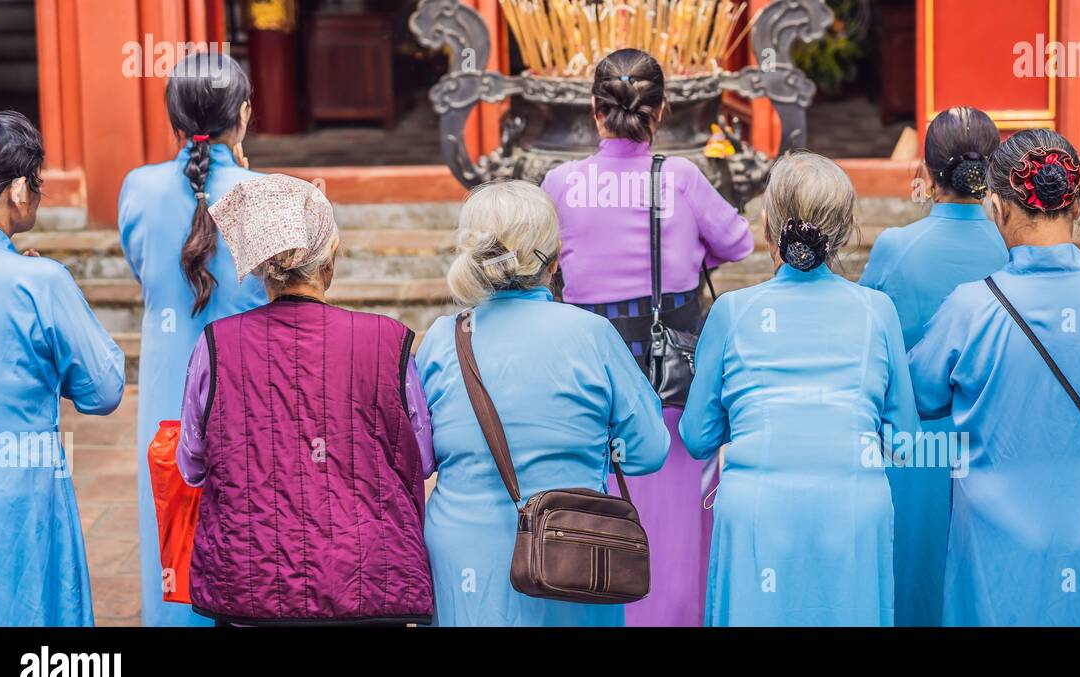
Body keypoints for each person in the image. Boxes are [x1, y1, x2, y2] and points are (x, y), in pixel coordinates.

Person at [909, 128, 1080, 626]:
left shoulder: (970, 306)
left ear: (998, 208)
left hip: (992, 541)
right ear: (1077, 204)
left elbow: (923, 392)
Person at [541, 48, 753, 626]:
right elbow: (740, 243)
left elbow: (540, 259)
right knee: (676, 526)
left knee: (598, 520)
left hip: (590, 393)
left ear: (594, 110)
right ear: (660, 110)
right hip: (670, 388)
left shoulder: (561, 183)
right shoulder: (680, 179)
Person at [177, 174, 434, 625]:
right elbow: (424, 457)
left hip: (250, 581)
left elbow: (192, 463)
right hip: (374, 579)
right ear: (328, 260)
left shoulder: (216, 344)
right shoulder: (387, 340)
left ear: (263, 270)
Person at [680, 151, 918, 626]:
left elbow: (697, 436)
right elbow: (905, 441)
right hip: (853, 509)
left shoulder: (733, 311)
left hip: (757, 512)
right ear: (847, 229)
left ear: (766, 225)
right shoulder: (877, 311)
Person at [418, 181, 670, 626]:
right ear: (555, 260)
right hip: (571, 550)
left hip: (465, 557)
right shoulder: (591, 335)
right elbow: (648, 451)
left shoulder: (443, 338)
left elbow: (419, 459)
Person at [118, 52, 265, 625]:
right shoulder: (268, 194)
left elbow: (146, 271)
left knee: (169, 532)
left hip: (164, 399)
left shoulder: (138, 188)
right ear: (245, 114)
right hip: (245, 398)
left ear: (173, 120)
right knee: (246, 539)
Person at [0, 111, 124, 625]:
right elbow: (103, 390)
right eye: (36, 183)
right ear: (17, 190)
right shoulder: (40, 282)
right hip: (20, 492)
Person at [860, 106, 1008, 627]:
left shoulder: (896, 248)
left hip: (914, 441)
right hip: (994, 440)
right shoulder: (1013, 249)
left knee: (913, 583)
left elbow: (867, 338)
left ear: (924, 174)